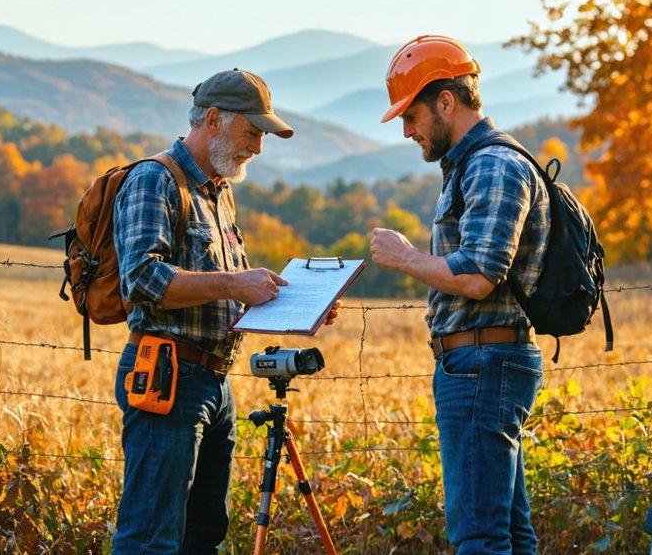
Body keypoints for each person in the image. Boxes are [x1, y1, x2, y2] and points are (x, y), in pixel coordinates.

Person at [111, 68, 338, 554]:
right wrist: (236, 283)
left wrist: (302, 305)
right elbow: (142, 279)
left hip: (215, 382)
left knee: (204, 537)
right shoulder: (155, 179)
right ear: (213, 119)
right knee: (151, 539)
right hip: (167, 376)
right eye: (252, 132)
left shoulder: (219, 192)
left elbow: (230, 293)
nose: (258, 148)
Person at [369, 35, 550, 554]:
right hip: (482, 361)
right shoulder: (470, 165)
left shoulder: (492, 165)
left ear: (446, 101)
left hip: (481, 364)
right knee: (508, 533)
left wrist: (405, 257)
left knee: (478, 537)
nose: (407, 131)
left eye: (411, 116)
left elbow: (478, 276)